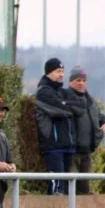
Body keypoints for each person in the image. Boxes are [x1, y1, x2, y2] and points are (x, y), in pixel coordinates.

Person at [65, 66, 105, 195]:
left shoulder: (91, 101)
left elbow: (100, 117)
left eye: (83, 80)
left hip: (87, 152)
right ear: (70, 82)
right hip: (71, 152)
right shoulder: (64, 98)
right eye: (77, 80)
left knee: (84, 188)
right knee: (70, 186)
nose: (81, 83)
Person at [34, 58, 78, 195]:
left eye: (63, 71)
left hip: (67, 146)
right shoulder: (43, 92)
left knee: (65, 190)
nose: (61, 74)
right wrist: (65, 106)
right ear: (48, 73)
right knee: (56, 188)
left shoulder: (62, 92)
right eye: (58, 71)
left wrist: (67, 104)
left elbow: (80, 106)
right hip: (53, 147)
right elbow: (61, 111)